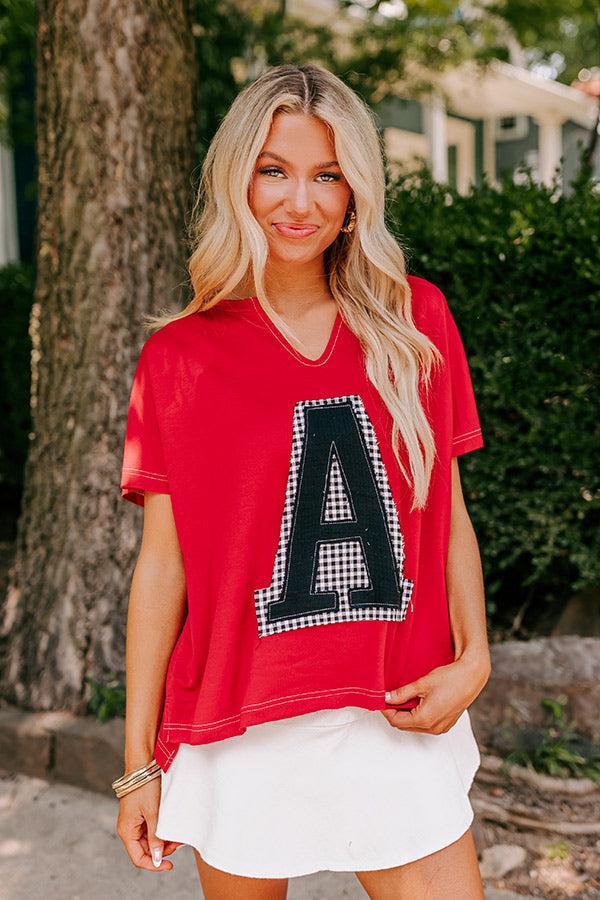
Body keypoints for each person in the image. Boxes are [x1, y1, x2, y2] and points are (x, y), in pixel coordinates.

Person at [114, 62, 491, 899]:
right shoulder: (178, 357)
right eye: (274, 171)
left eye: (327, 175)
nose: (301, 202)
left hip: (391, 705)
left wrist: (475, 659)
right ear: (236, 177)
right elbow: (161, 569)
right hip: (242, 720)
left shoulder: (413, 319)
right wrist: (138, 764)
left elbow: (449, 513)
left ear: (356, 189)